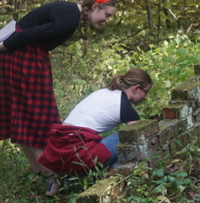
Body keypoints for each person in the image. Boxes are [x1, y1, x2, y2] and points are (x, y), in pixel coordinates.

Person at [0, 0, 117, 177]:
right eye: (107, 15)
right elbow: (28, 34)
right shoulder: (69, 16)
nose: (107, 20)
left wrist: (0, 45)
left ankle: (39, 171)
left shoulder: (68, 12)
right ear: (95, 7)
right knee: (35, 116)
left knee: (21, 113)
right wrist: (1, 45)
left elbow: (24, 30)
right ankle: (51, 174)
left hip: (16, 56)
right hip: (22, 58)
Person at [38, 68, 153, 196]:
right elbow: (139, 134)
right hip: (78, 158)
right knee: (128, 136)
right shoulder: (124, 105)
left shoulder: (102, 93)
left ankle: (54, 183)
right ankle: (110, 179)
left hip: (56, 156)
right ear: (136, 88)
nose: (146, 97)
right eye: (146, 92)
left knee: (78, 140)